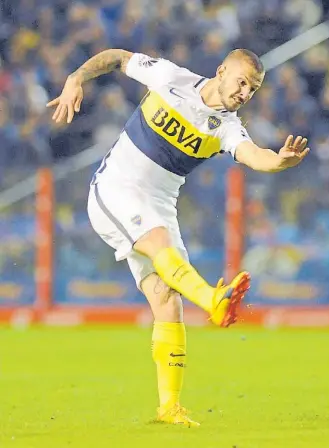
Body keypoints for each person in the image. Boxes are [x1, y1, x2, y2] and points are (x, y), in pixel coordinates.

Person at [46, 48, 310, 427]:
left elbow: (255, 156)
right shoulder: (171, 77)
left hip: (159, 205)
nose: (245, 93)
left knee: (167, 300)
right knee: (161, 249)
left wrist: (280, 161)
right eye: (241, 82)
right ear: (221, 70)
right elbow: (118, 58)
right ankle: (212, 300)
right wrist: (75, 78)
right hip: (115, 189)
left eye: (253, 89)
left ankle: (168, 408)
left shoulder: (227, 128)